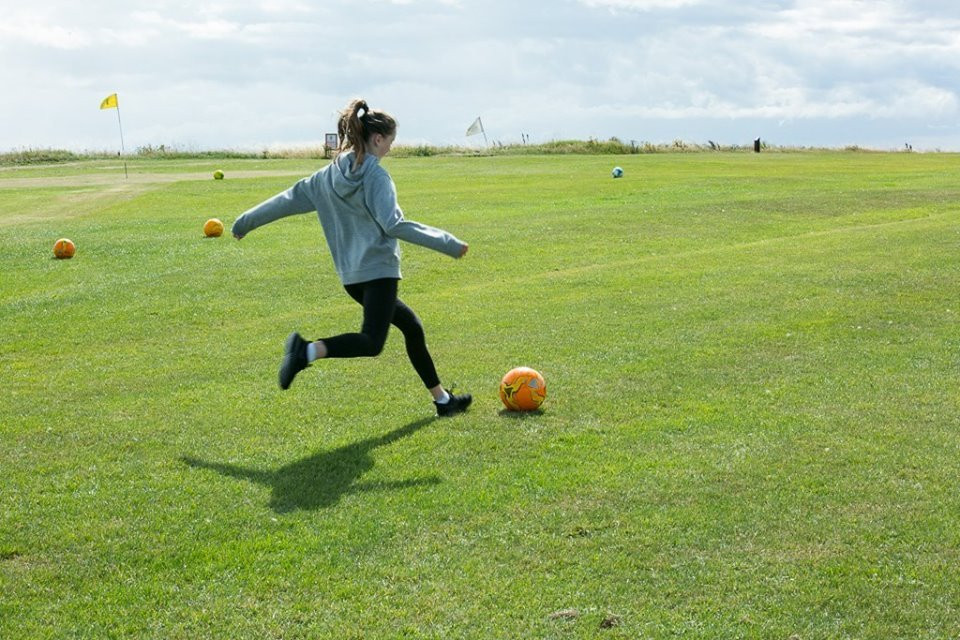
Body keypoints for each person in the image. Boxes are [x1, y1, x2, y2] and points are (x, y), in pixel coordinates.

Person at [230, 98, 472, 417]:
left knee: (412, 327)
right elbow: (394, 224)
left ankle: (443, 401)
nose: (389, 149)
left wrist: (244, 222)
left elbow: (287, 200)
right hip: (379, 273)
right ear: (377, 139)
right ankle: (306, 351)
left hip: (352, 278)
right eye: (390, 142)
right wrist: (448, 243)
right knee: (371, 342)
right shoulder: (376, 177)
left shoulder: (327, 176)